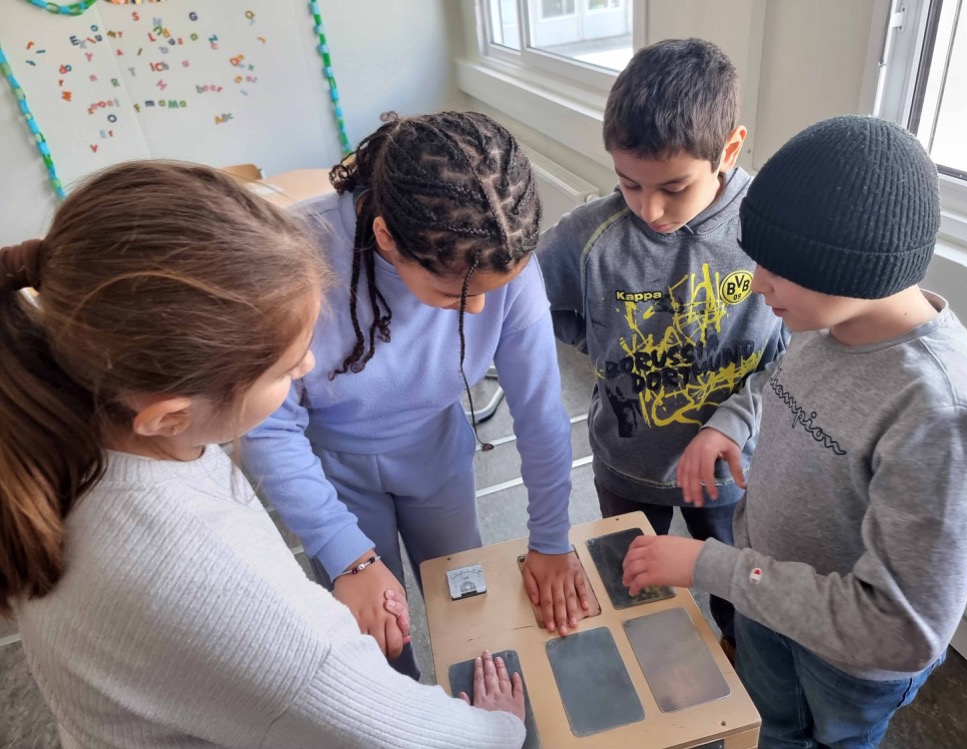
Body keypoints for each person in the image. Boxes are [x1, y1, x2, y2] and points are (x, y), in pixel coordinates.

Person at [2, 160, 527, 748]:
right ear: (170, 415)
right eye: (284, 368)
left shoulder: (58, 433)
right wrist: (499, 728)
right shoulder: (218, 579)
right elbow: (403, 733)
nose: (308, 368)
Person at [623, 115, 967, 748]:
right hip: (767, 601)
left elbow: (900, 628)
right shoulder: (825, 320)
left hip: (848, 666)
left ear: (858, 268)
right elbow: (777, 382)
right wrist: (731, 423)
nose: (756, 282)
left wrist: (714, 566)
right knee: (774, 726)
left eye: (780, 268)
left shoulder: (944, 414)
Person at [242, 111, 588, 678]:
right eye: (454, 294)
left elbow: (541, 414)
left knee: (468, 609)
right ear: (385, 239)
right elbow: (269, 426)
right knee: (379, 638)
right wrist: (348, 556)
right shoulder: (293, 257)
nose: (478, 312)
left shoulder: (503, 251)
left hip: (437, 455)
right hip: (331, 468)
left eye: (493, 292)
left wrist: (551, 538)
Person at [537, 38, 785, 655]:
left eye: (673, 188)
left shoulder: (773, 227)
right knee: (633, 590)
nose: (649, 209)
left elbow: (798, 354)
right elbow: (529, 310)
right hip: (628, 465)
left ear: (729, 149)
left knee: (736, 599)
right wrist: (594, 337)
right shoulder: (589, 235)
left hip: (731, 470)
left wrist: (733, 420)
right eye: (629, 184)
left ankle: (741, 668)